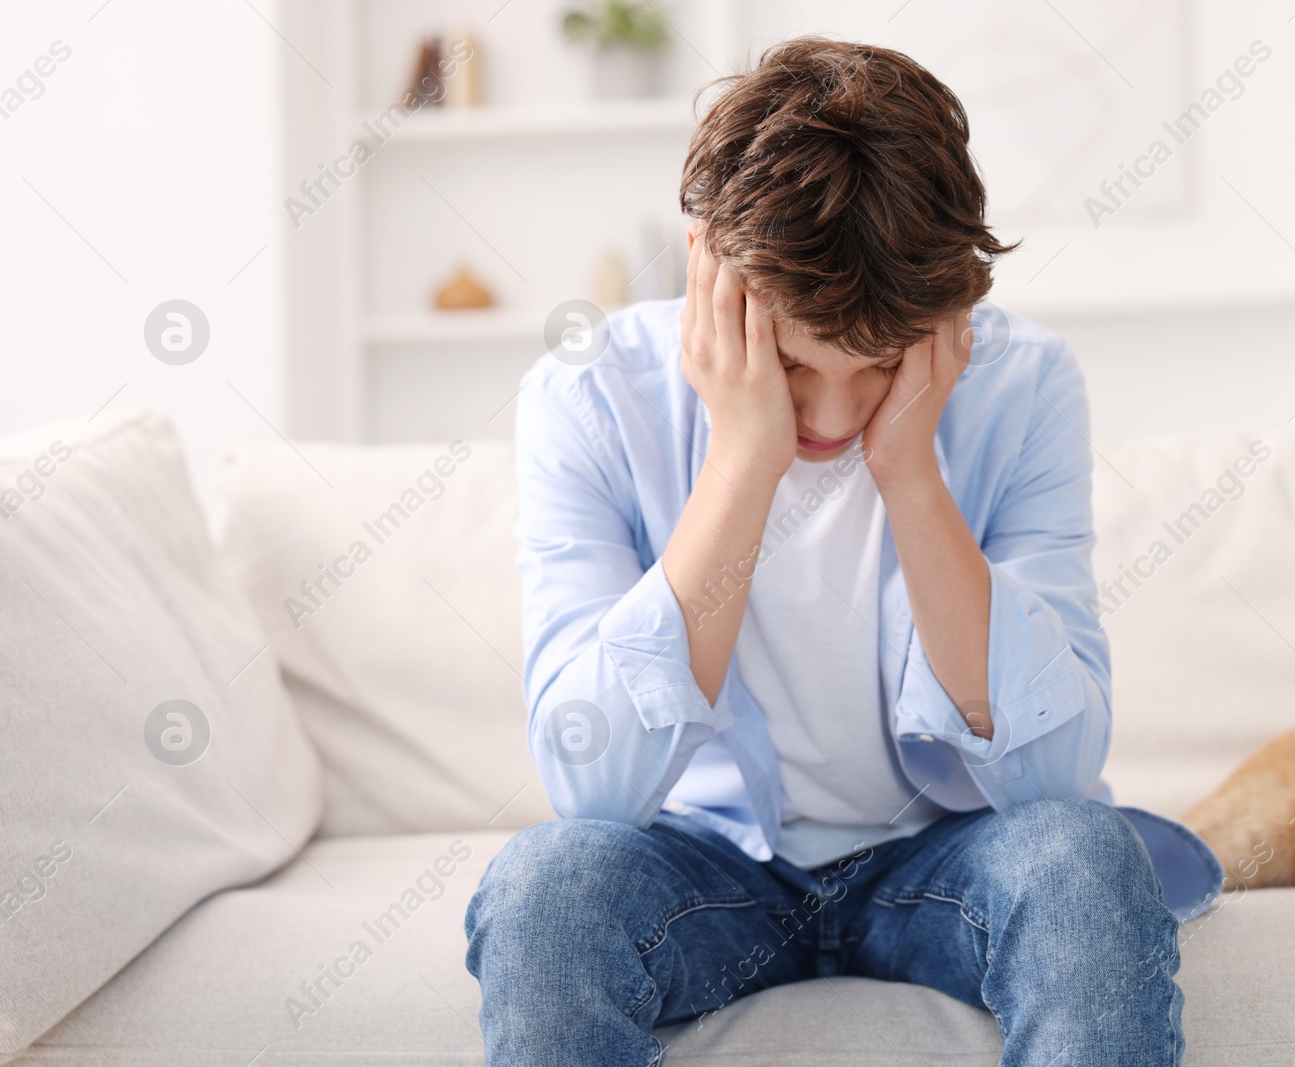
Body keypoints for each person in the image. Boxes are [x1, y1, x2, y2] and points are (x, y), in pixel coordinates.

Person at [465, 35, 1222, 1067]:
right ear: (707, 268)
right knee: (547, 888)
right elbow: (593, 787)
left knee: (1086, 856)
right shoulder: (592, 396)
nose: (827, 409)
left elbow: (1050, 770)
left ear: (953, 300)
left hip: (943, 858)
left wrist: (909, 470)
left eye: (872, 366)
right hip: (708, 867)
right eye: (787, 362)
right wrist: (742, 460)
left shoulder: (1024, 384)